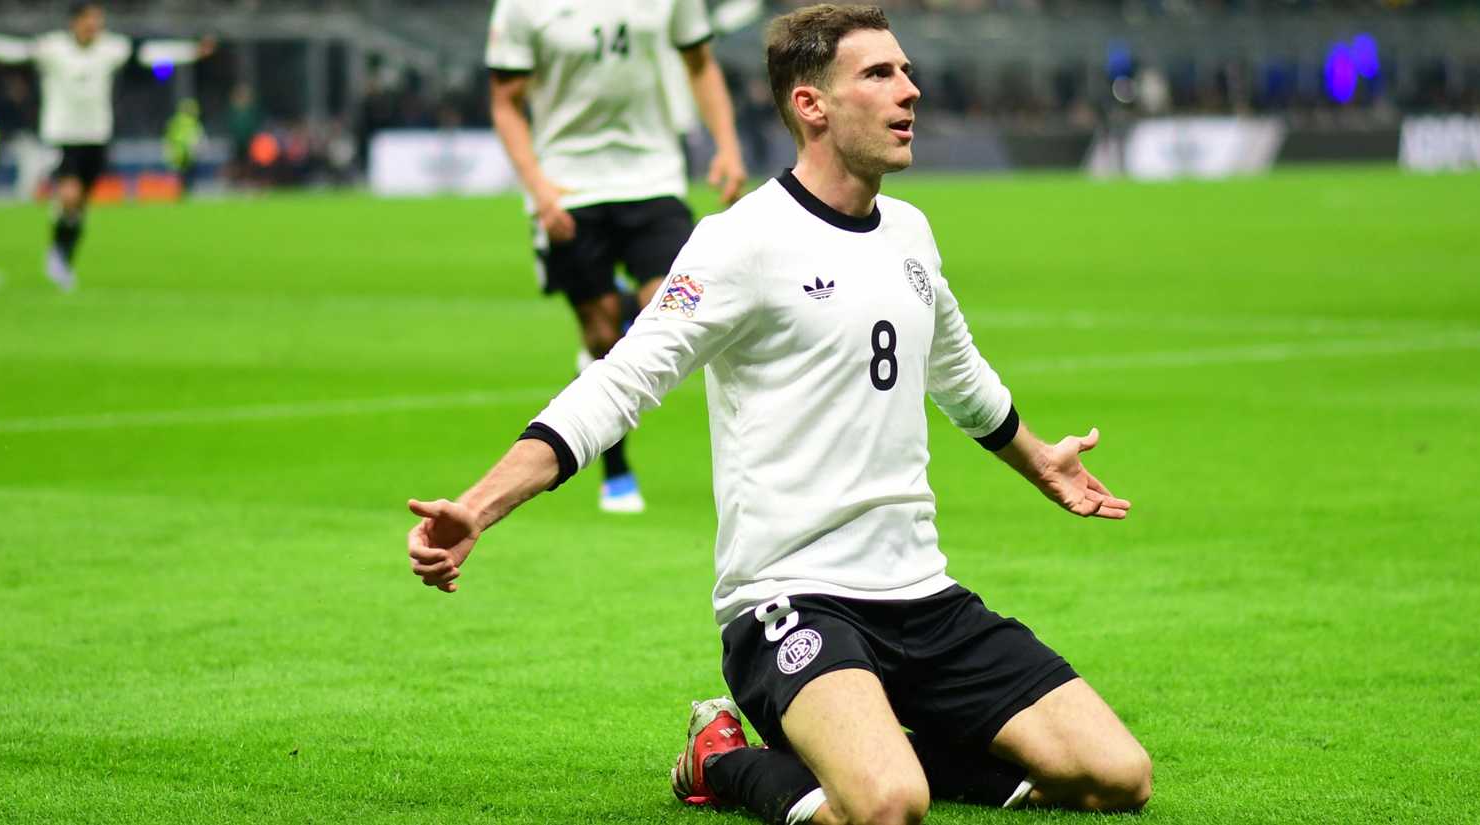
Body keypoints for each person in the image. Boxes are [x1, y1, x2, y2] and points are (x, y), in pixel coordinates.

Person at [408, 5, 1151, 825]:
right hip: (792, 599)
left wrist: (1038, 458)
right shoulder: (742, 241)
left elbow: (958, 372)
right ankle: (722, 756)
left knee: (1119, 776)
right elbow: (617, 385)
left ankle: (874, 741)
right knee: (888, 806)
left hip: (921, 592)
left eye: (905, 72)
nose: (909, 90)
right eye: (880, 74)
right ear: (811, 105)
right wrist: (478, 506)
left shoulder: (910, 231)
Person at [484, 0, 748, 513]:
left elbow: (700, 64)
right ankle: (616, 469)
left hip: (653, 177)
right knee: (602, 336)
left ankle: (633, 308)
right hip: (569, 186)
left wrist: (727, 147)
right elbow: (505, 102)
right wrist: (538, 189)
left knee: (677, 312)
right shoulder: (522, 8)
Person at [0, 3, 213, 289]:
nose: (94, 26)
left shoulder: (112, 49)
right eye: (90, 20)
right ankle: (59, 253)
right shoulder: (53, 48)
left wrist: (192, 50)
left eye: (98, 20)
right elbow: (16, 51)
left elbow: (151, 53)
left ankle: (61, 254)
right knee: (70, 195)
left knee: (78, 207)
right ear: (75, 22)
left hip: (96, 137)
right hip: (62, 136)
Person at [164, 97, 203, 196]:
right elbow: (195, 138)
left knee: (181, 176)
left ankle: (181, 193)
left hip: (179, 154)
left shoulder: (175, 121)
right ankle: (185, 193)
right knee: (186, 176)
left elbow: (168, 138)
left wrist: (169, 150)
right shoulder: (191, 122)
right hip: (185, 154)